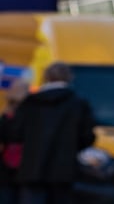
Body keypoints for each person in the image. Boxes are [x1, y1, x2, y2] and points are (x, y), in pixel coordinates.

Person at [11, 63, 96, 204]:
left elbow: (15, 133)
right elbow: (87, 136)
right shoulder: (78, 103)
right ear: (69, 77)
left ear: (46, 77)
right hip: (64, 171)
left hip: (32, 168)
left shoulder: (31, 102)